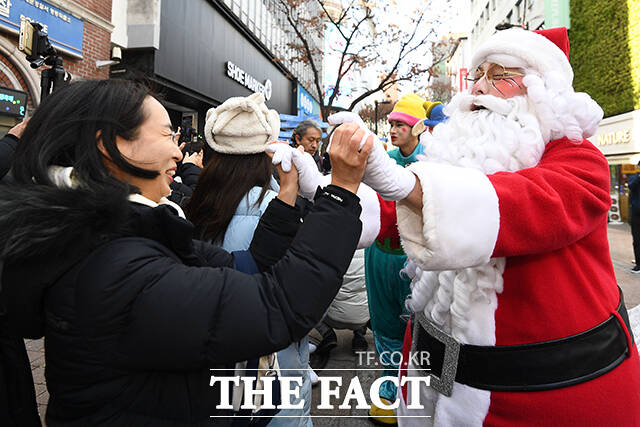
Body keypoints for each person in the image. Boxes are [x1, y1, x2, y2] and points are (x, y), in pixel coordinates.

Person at [0, 79, 373, 426]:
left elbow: (246, 265)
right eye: (166, 133)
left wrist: (288, 198)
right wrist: (341, 190)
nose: (179, 149)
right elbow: (279, 307)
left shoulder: (116, 232)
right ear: (111, 144)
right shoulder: (116, 269)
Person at [329, 27, 640, 426]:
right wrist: (328, 196)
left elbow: (530, 203)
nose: (478, 88)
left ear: (540, 90)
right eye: (478, 75)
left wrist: (409, 184)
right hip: (434, 379)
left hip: (536, 396)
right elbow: (400, 213)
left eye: (500, 76)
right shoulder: (454, 160)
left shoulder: (580, 158)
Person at [185, 93, 314, 425]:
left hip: (209, 365)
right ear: (268, 154)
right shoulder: (283, 209)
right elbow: (309, 302)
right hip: (273, 375)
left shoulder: (192, 207)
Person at [362, 94, 443, 424]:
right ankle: (389, 385)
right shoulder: (382, 159)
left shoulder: (435, 162)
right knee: (383, 321)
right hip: (379, 255)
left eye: (401, 124)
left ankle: (422, 390)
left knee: (420, 324)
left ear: (418, 128)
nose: (393, 129)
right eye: (391, 123)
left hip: (416, 259)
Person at [629, 165, 640, 273]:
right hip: (636, 213)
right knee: (636, 239)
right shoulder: (634, 177)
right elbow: (631, 186)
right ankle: (638, 263)